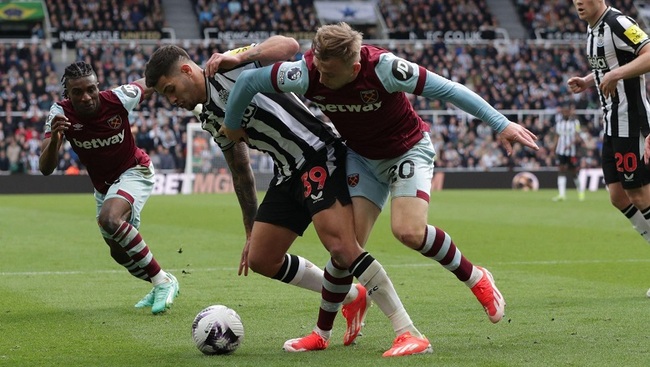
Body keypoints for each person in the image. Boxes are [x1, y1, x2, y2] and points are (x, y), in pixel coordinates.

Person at [219, 22, 541, 346]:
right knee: (346, 249)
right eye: (319, 70)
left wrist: (501, 124)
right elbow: (247, 81)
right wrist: (232, 127)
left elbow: (448, 89)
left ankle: (476, 277)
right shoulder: (305, 72)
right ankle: (322, 334)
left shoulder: (385, 68)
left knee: (409, 232)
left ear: (355, 66)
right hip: (361, 158)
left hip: (407, 151)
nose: (323, 80)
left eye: (330, 74)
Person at [144, 40, 432, 357]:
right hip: (286, 172)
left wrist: (242, 54)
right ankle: (351, 295)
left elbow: (289, 46)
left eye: (171, 89)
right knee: (261, 258)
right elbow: (240, 169)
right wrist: (250, 229)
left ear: (186, 70)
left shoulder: (231, 65)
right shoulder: (209, 117)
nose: (172, 100)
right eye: (165, 96)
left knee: (341, 246)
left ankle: (407, 331)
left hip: (318, 154)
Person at [39, 61, 179, 314]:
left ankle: (162, 281)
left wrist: (185, 80)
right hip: (103, 187)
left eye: (91, 89)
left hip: (135, 170)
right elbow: (46, 167)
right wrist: (56, 140)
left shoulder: (119, 98)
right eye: (77, 92)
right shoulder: (59, 113)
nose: (87, 97)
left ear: (98, 87)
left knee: (110, 219)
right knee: (119, 254)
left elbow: (151, 83)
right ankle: (161, 279)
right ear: (67, 94)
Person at [568, 0, 650, 296]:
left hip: (632, 122)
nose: (578, 2)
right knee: (618, 196)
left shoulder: (618, 23)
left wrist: (617, 75)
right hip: (612, 124)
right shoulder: (593, 30)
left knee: (640, 194)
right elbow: (611, 67)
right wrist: (590, 80)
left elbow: (648, 54)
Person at [551, 103, 585, 202]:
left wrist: (571, 144)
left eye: (567, 111)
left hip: (571, 151)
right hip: (561, 150)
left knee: (573, 172)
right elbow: (557, 137)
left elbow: (578, 137)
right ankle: (562, 194)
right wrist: (553, 149)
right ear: (562, 112)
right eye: (564, 111)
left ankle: (580, 192)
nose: (565, 113)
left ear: (569, 112)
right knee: (561, 170)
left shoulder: (575, 123)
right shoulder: (559, 123)